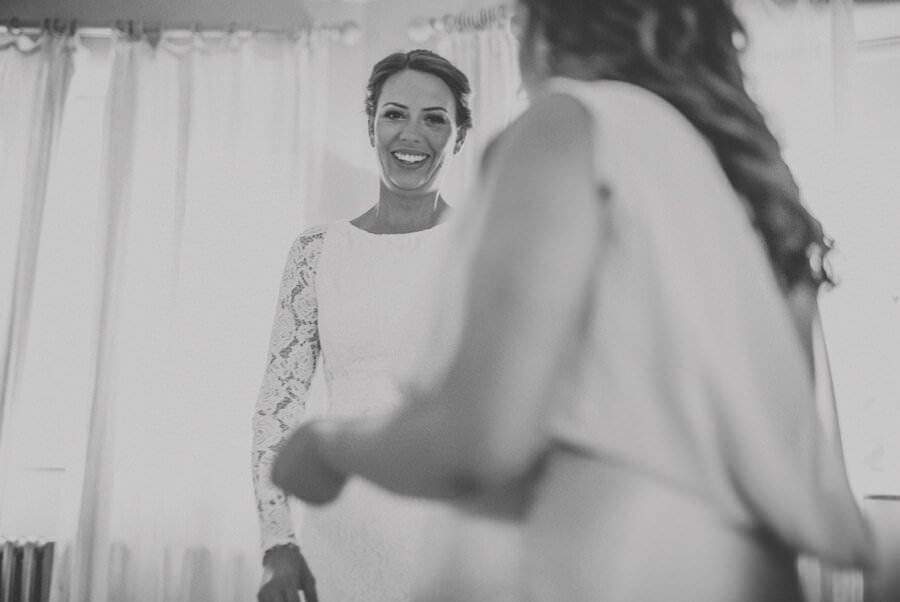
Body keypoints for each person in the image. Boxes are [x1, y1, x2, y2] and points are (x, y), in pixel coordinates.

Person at [272, 1, 877, 600]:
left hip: (603, 567)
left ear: (543, 24)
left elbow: (481, 442)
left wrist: (329, 444)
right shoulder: (752, 176)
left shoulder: (570, 125)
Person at [252, 49, 472, 602]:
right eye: (395, 114)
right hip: (340, 533)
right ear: (371, 125)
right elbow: (277, 408)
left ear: (460, 136)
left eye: (435, 118)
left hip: (450, 531)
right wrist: (278, 541)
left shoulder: (484, 245)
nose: (412, 134)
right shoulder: (316, 252)